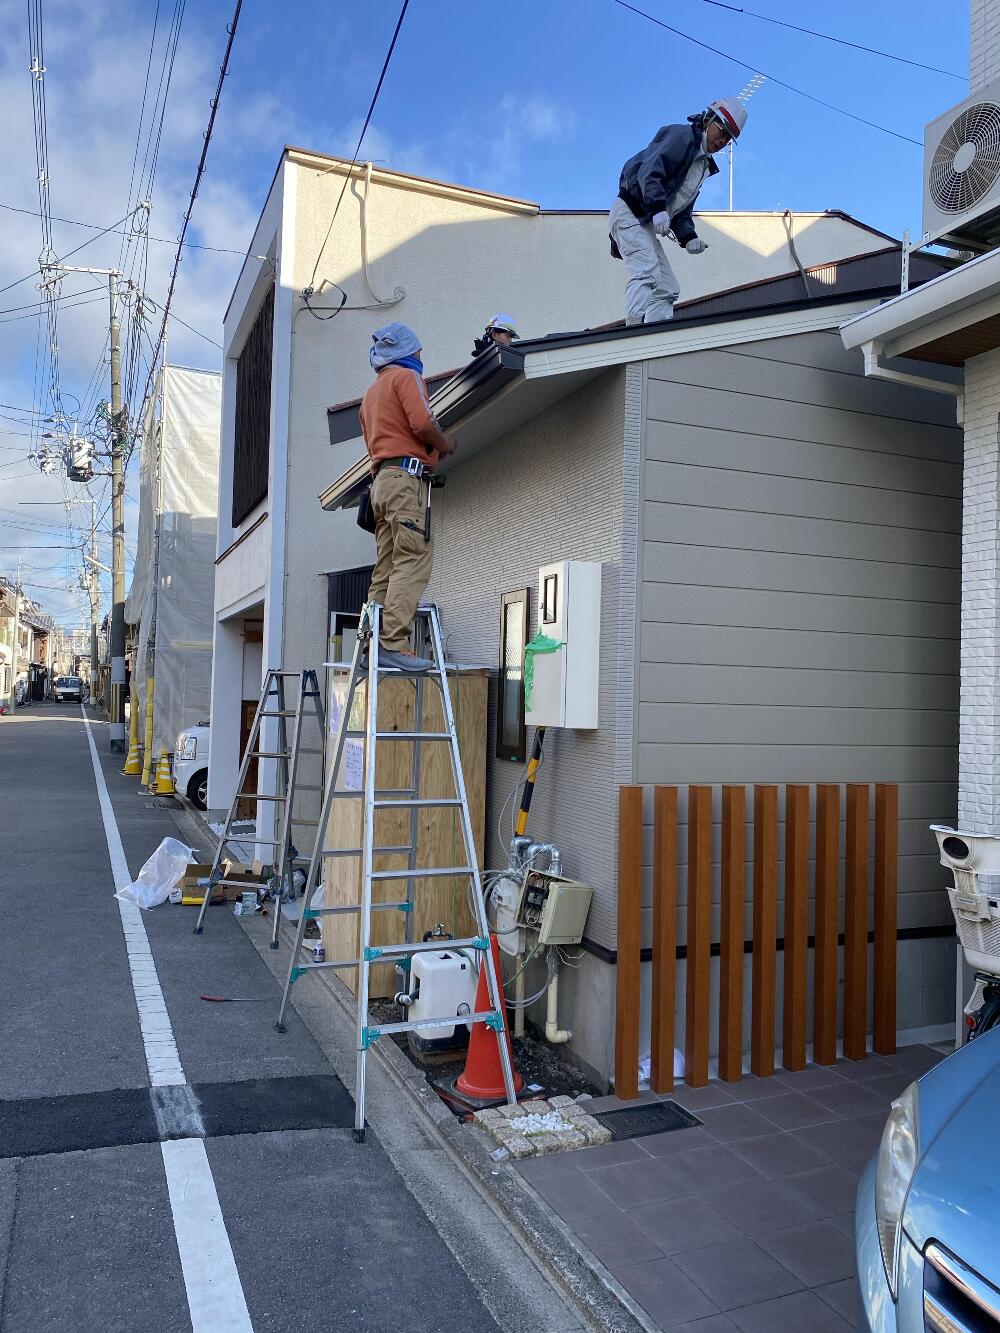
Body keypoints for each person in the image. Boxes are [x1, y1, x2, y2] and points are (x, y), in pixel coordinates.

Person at [359, 323, 455, 672]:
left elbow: (376, 441)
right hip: (405, 480)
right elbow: (423, 422)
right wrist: (445, 444)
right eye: (418, 352)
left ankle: (372, 643)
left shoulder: (370, 394)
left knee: (385, 567)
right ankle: (393, 643)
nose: (420, 358)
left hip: (380, 483)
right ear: (405, 352)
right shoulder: (406, 378)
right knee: (413, 558)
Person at [609, 97, 748, 326]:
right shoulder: (682, 136)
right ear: (708, 119)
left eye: (728, 139)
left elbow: (682, 211)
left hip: (644, 222)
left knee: (667, 288)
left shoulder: (702, 166)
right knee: (646, 271)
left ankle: (653, 341)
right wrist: (656, 208)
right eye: (721, 131)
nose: (723, 141)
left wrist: (689, 237)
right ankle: (631, 334)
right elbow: (650, 171)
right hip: (630, 212)